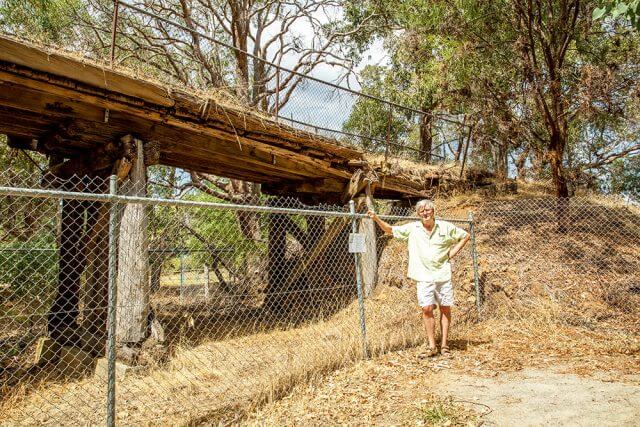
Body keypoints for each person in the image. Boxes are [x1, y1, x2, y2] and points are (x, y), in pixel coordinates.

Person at [367, 199, 470, 357]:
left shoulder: (445, 227)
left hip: (442, 275)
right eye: (422, 210)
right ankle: (431, 346)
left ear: (433, 211)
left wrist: (451, 253)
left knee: (445, 308)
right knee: (427, 309)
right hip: (423, 276)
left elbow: (465, 236)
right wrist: (376, 218)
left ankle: (444, 345)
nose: (425, 212)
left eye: (428, 210)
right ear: (418, 213)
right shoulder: (413, 228)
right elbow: (389, 230)